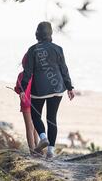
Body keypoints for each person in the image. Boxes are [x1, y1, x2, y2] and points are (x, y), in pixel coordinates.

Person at [19, 21, 75, 160]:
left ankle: (43, 137)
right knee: (52, 119)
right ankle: (50, 151)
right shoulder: (58, 49)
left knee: (36, 116)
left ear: (37, 34)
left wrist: (22, 88)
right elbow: (64, 69)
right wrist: (69, 87)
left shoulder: (32, 50)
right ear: (50, 34)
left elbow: (28, 72)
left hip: (40, 89)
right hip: (57, 88)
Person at [15, 53, 41, 154]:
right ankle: (38, 148)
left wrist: (17, 90)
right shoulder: (36, 75)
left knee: (29, 127)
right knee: (35, 126)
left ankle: (32, 150)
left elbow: (18, 89)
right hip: (36, 103)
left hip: (25, 103)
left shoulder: (21, 75)